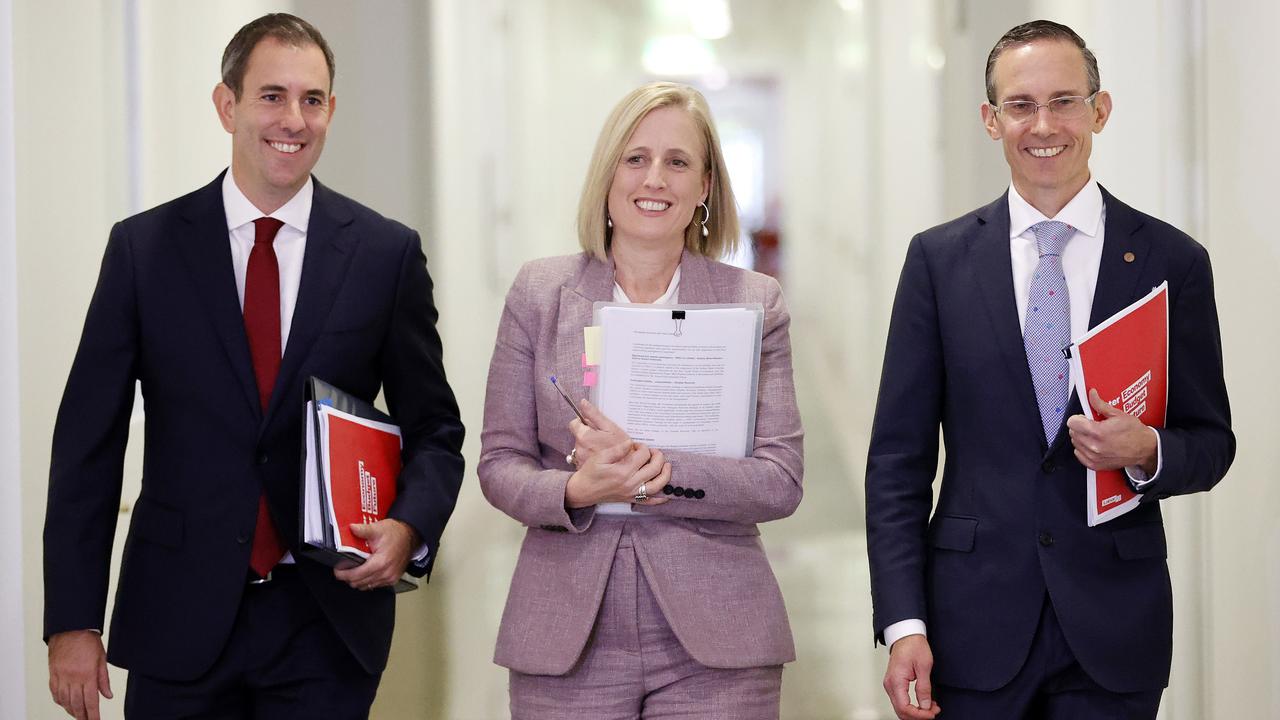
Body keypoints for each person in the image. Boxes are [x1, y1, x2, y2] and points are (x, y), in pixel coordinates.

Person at [43, 13, 465, 719]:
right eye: (272, 95)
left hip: (325, 625)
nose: (293, 120)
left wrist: (410, 527)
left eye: (313, 99)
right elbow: (88, 446)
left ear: (332, 110)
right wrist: (71, 620)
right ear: (227, 105)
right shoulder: (144, 251)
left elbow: (436, 430)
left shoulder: (385, 255)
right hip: (176, 617)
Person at [865, 19, 1234, 720]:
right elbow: (897, 463)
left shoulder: (1170, 262)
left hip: (1115, 630)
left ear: (1100, 109)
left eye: (1064, 101)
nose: (1044, 124)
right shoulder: (938, 263)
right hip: (972, 625)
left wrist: (1147, 451)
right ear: (989, 119)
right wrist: (904, 624)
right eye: (1021, 104)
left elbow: (1213, 443)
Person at [478, 81, 804, 719]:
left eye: (678, 162)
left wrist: (662, 470)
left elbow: (781, 480)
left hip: (718, 634)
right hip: (567, 628)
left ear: (704, 187)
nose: (655, 179)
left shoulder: (753, 302)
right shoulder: (539, 293)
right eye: (636, 158)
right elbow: (500, 462)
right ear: (607, 176)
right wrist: (577, 489)